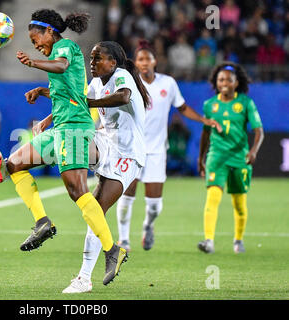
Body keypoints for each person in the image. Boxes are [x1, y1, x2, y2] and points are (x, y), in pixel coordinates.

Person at [0, 9, 125, 286]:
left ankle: (113, 250)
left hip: (75, 128)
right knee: (15, 163)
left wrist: (34, 63)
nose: (35, 43)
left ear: (49, 31)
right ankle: (42, 223)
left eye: (36, 37)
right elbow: (70, 89)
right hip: (60, 127)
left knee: (77, 191)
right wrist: (43, 93)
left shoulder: (65, 47)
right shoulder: (55, 55)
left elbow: (61, 67)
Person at [60, 41, 149, 293]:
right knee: (71, 136)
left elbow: (123, 97)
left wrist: (87, 103)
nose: (92, 62)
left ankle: (84, 278)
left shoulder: (121, 77)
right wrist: (49, 118)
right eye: (91, 57)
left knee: (96, 211)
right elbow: (80, 104)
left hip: (128, 153)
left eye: (98, 58)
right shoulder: (97, 83)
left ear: (113, 62)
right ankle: (44, 159)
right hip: (106, 142)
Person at [115, 40, 221, 253]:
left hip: (156, 151)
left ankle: (148, 225)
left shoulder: (168, 84)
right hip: (130, 149)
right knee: (127, 197)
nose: (144, 62)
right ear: (135, 63)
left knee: (154, 206)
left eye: (148, 58)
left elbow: (182, 107)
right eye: (140, 59)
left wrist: (203, 120)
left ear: (155, 61)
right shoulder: (129, 83)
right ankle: (123, 239)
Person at [197, 62, 264, 254]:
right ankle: (208, 240)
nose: (224, 82)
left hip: (239, 157)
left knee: (239, 203)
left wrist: (253, 151)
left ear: (236, 83)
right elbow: (206, 134)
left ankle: (238, 240)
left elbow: (259, 131)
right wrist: (200, 158)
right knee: (212, 197)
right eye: (220, 79)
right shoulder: (209, 105)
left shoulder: (245, 103)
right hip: (216, 157)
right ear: (216, 83)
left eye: (228, 79)